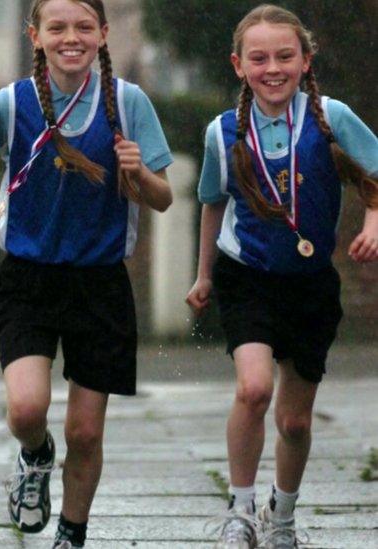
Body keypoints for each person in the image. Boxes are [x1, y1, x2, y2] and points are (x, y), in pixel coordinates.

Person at [0, 0, 173, 547]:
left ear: (103, 34)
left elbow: (164, 197)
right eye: (57, 27)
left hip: (100, 282)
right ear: (36, 36)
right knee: (27, 407)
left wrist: (138, 174)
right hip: (29, 278)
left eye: (84, 26)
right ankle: (35, 455)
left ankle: (72, 533)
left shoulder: (128, 104)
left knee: (85, 431)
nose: (71, 37)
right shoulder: (11, 104)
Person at [186, 4, 378, 548]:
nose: (273, 68)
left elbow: (376, 174)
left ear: (306, 59)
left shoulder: (330, 118)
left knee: (294, 423)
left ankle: (283, 518)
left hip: (312, 283)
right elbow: (210, 205)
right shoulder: (223, 133)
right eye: (259, 58)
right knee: (252, 389)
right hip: (247, 277)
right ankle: (240, 512)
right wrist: (203, 277)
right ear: (238, 65)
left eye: (285, 56)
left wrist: (373, 220)